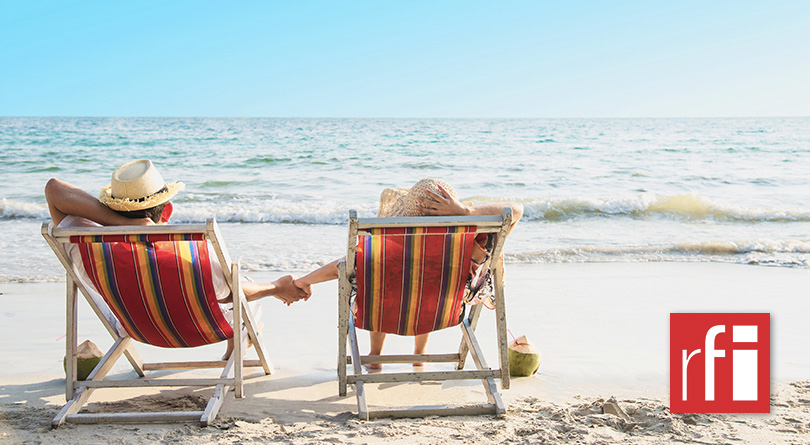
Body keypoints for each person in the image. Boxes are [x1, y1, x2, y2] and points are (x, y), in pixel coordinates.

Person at [292, 178, 523, 369]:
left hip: (385, 305)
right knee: (430, 285)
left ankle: (375, 357)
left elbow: (341, 266)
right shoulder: (469, 246)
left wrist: (304, 281)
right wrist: (465, 212)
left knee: (376, 282)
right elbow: (516, 210)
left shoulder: (386, 249)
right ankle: (419, 356)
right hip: (441, 308)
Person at [45, 159, 308, 307]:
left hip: (134, 325)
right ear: (167, 210)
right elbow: (231, 294)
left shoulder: (85, 244)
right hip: (195, 330)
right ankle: (234, 352)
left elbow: (54, 188)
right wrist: (275, 287)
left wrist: (119, 224)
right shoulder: (187, 255)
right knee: (241, 285)